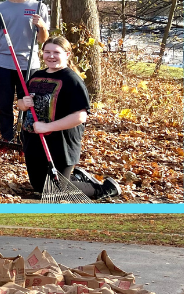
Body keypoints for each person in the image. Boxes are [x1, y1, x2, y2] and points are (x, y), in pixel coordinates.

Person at [17, 36, 120, 200]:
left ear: (67, 54)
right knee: (39, 186)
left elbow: (80, 116)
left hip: (61, 143)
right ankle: (76, 178)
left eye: (56, 52)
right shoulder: (36, 76)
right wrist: (23, 103)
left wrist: (48, 127)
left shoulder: (72, 80)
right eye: (47, 52)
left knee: (53, 191)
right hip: (34, 140)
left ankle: (103, 189)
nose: (51, 56)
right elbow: (21, 103)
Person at [0, 0, 49, 144]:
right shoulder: (0, 9)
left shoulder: (38, 7)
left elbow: (42, 40)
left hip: (29, 64)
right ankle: (7, 137)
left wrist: (42, 26)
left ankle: (26, 138)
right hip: (4, 64)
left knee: (29, 103)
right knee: (5, 104)